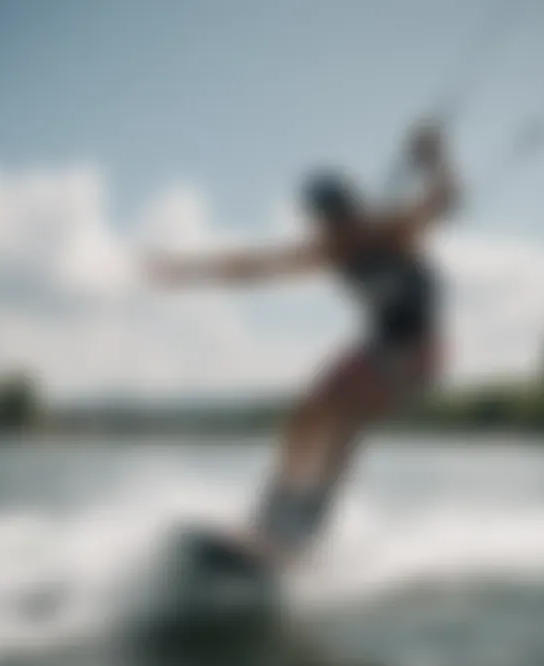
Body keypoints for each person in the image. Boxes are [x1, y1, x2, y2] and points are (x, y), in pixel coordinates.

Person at [145, 121, 459, 570]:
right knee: (307, 414)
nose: (336, 231)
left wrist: (433, 157)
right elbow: (256, 266)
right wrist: (186, 271)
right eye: (327, 223)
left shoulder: (391, 230)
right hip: (377, 346)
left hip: (418, 349)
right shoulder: (330, 248)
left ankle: (306, 529)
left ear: (353, 210)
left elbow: (443, 201)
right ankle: (270, 518)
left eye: (341, 219)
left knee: (343, 420)